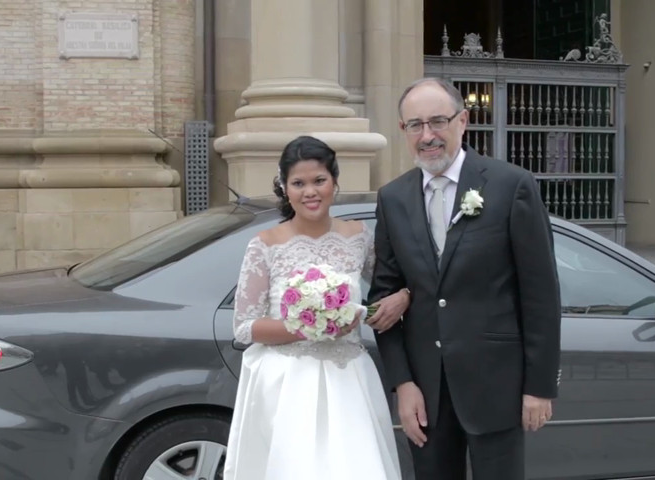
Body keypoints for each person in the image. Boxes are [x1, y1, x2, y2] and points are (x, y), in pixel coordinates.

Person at [367, 78, 562, 480]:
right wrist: (403, 384)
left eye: (438, 121)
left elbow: (540, 294)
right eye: (415, 125)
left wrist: (539, 386)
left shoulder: (511, 186)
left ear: (463, 121)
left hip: (497, 387)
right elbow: (381, 300)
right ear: (403, 131)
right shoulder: (392, 198)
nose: (428, 136)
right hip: (426, 395)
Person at [224, 135, 409, 479]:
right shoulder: (265, 245)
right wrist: (310, 325)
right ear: (285, 187)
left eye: (319, 180)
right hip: (289, 383)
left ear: (334, 182)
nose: (310, 191)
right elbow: (245, 326)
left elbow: (387, 289)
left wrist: (403, 296)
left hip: (348, 378)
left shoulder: (358, 237)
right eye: (299, 183)